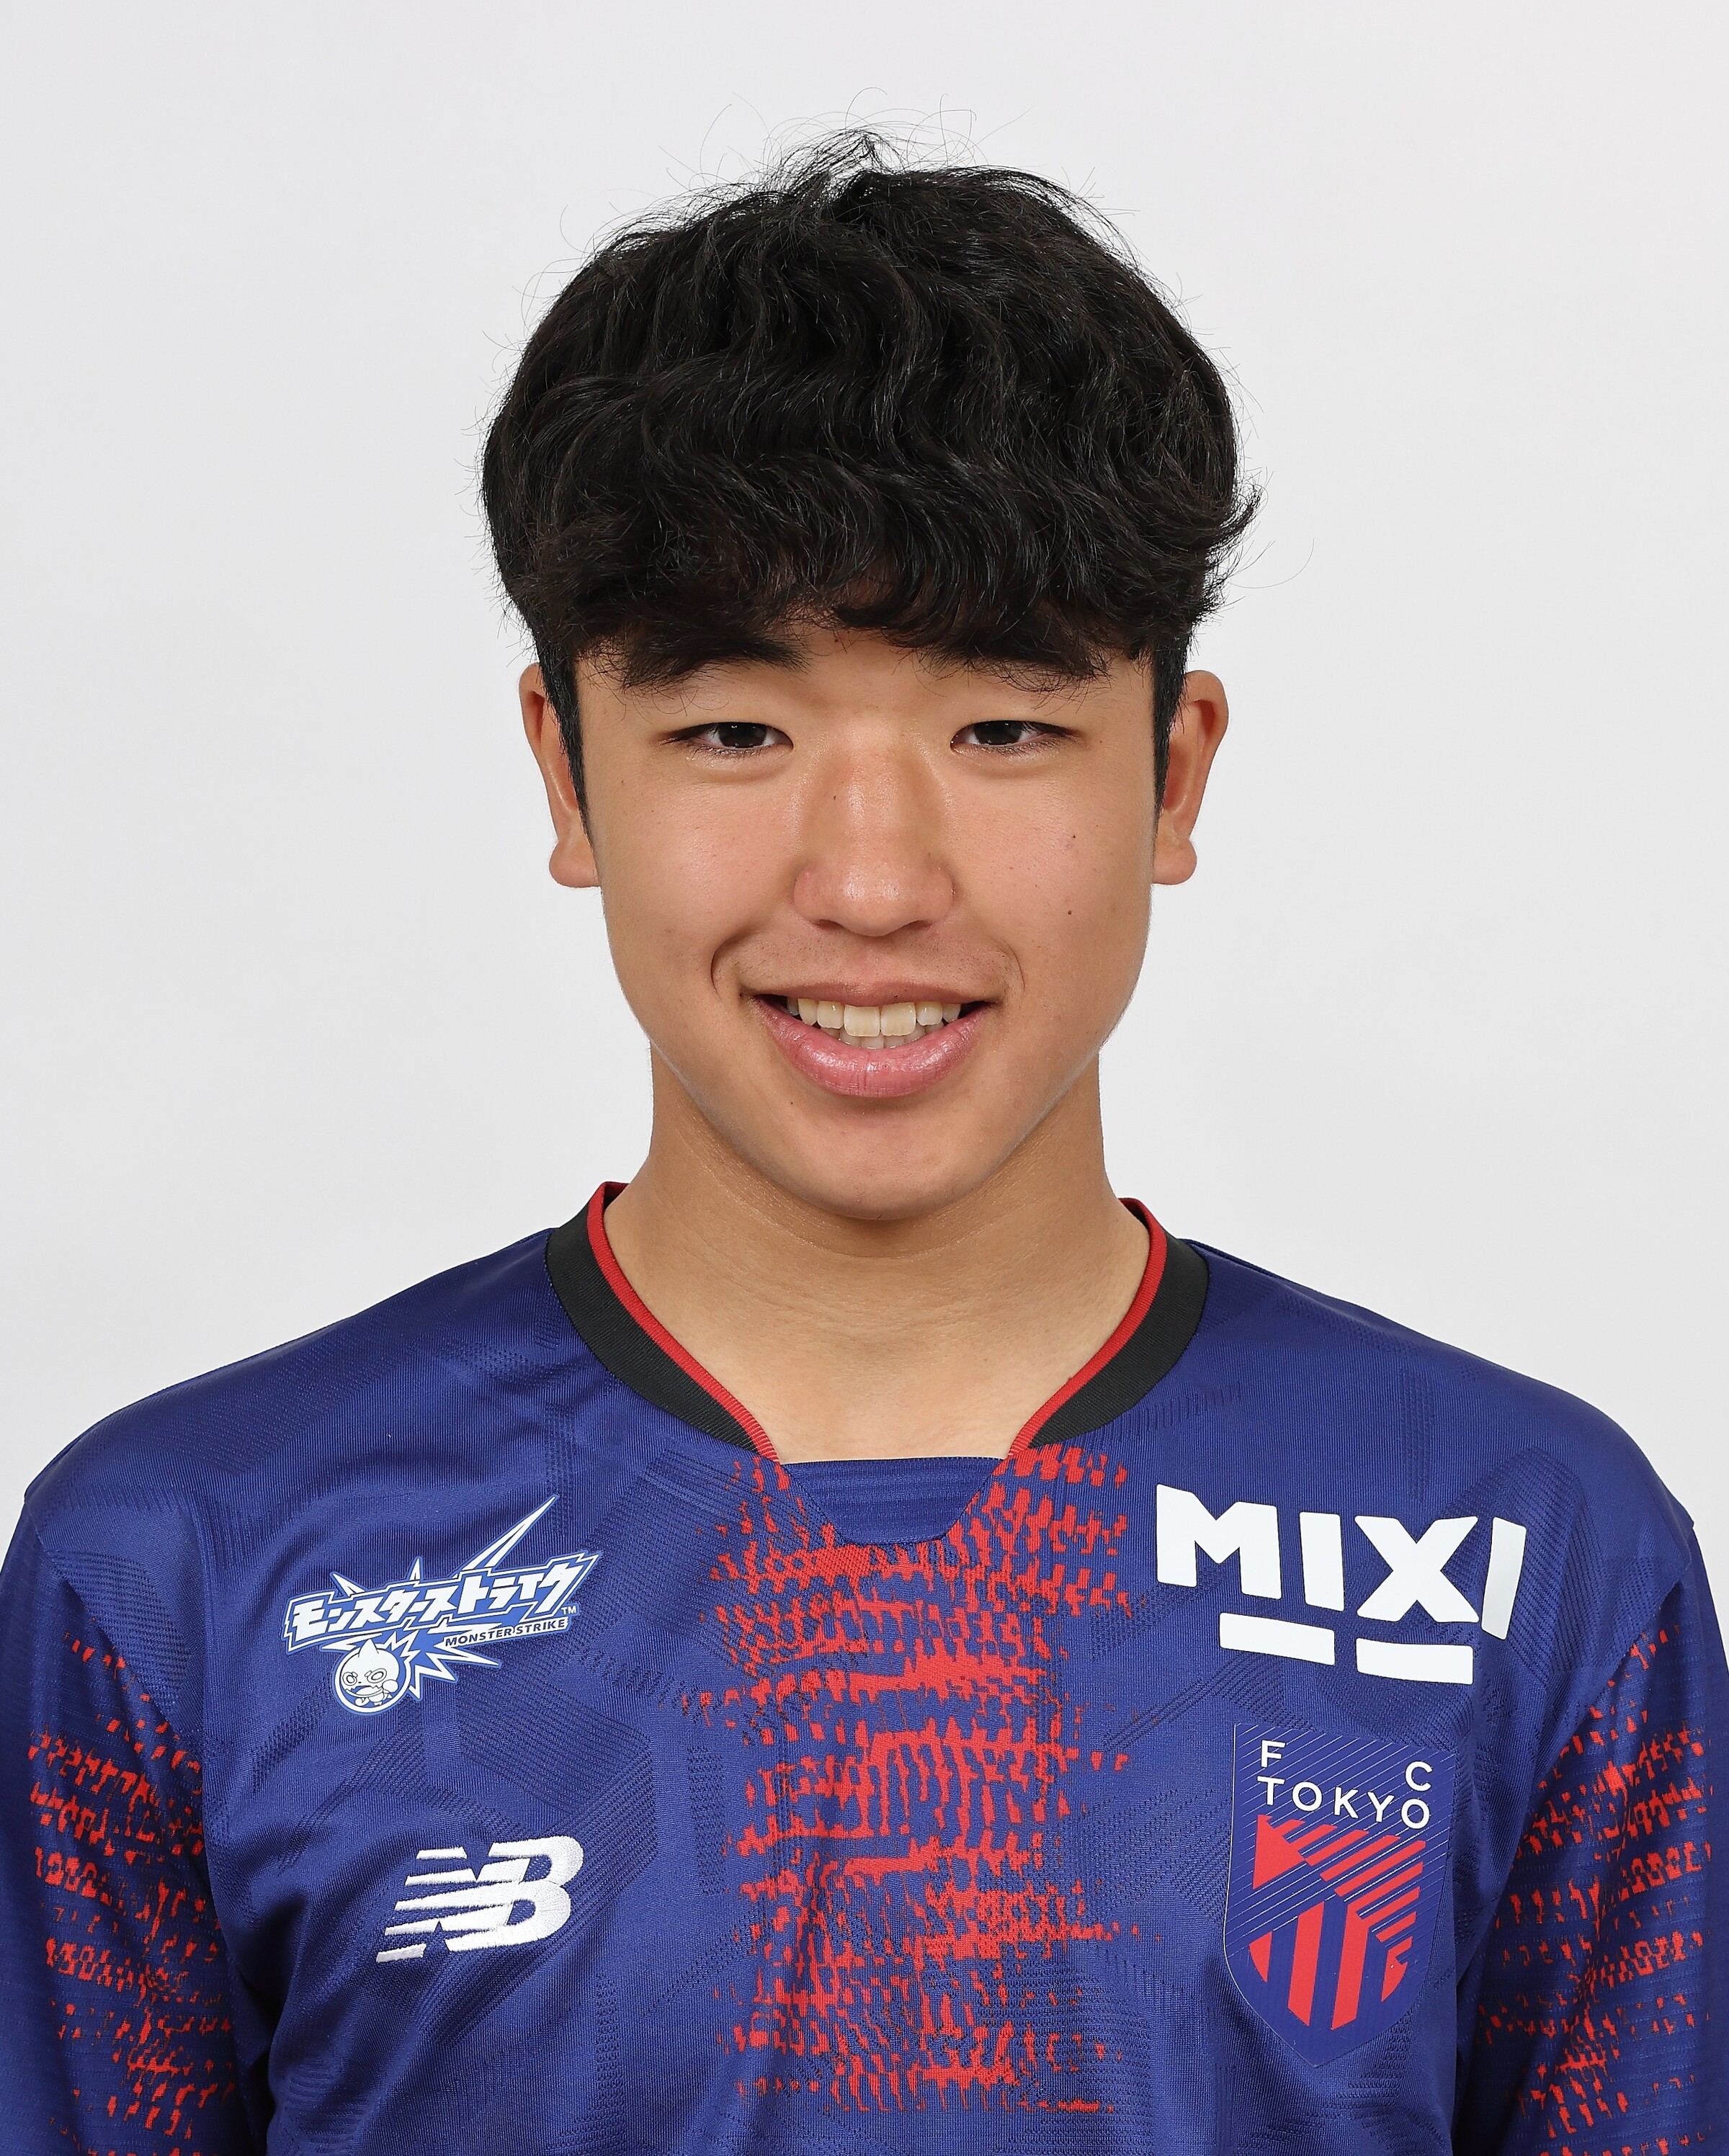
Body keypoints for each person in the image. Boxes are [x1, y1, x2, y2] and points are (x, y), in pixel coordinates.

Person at [1, 133, 1718, 2155]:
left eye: (1006, 729)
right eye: (737, 732)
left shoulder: (1526, 1548)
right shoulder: (187, 1567)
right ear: (568, 773)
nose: (876, 883)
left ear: (1174, 775)